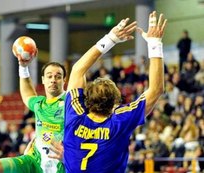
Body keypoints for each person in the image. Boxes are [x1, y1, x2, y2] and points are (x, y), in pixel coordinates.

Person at [63, 11, 167, 172]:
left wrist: (110, 39)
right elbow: (156, 90)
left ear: (87, 99)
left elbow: (77, 70)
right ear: (115, 103)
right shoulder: (119, 121)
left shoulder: (74, 116)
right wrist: (155, 44)